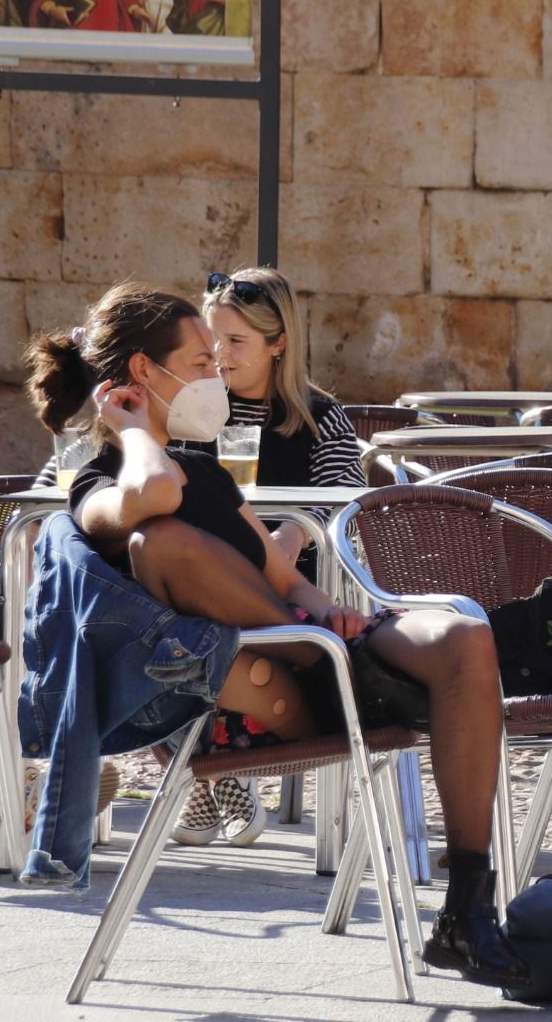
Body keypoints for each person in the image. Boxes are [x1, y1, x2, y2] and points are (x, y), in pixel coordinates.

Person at [23, 284, 529, 991]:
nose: (216, 373)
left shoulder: (207, 472)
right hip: (247, 697)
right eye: (201, 360)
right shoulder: (97, 486)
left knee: (463, 636)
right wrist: (134, 430)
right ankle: (337, 659)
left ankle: (467, 913)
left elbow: (288, 580)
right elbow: (154, 501)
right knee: (163, 544)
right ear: (143, 374)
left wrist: (331, 611)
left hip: (320, 654)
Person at [162, 267, 367, 848]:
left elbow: (345, 503)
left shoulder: (318, 417)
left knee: (211, 627)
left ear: (279, 345)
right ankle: (219, 781)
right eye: (213, 340)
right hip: (205, 576)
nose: (220, 356)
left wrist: (293, 534)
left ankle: (213, 780)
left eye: (236, 342)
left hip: (288, 588)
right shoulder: (194, 411)